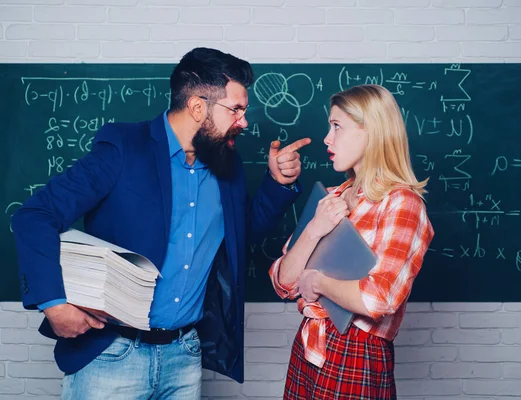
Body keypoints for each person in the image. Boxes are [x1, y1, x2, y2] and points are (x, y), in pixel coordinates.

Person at [12, 47, 310, 399]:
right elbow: (35, 215)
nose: (243, 121)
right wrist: (53, 302)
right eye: (236, 110)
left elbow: (243, 234)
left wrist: (278, 184)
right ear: (198, 106)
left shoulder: (226, 164)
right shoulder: (123, 147)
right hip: (111, 354)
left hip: (184, 356)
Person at [269, 84, 434, 399]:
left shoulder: (401, 202)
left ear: (371, 132)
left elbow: (378, 299)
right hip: (309, 346)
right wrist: (315, 228)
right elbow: (283, 282)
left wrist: (317, 281)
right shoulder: (331, 196)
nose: (327, 139)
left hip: (357, 353)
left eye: (337, 127)